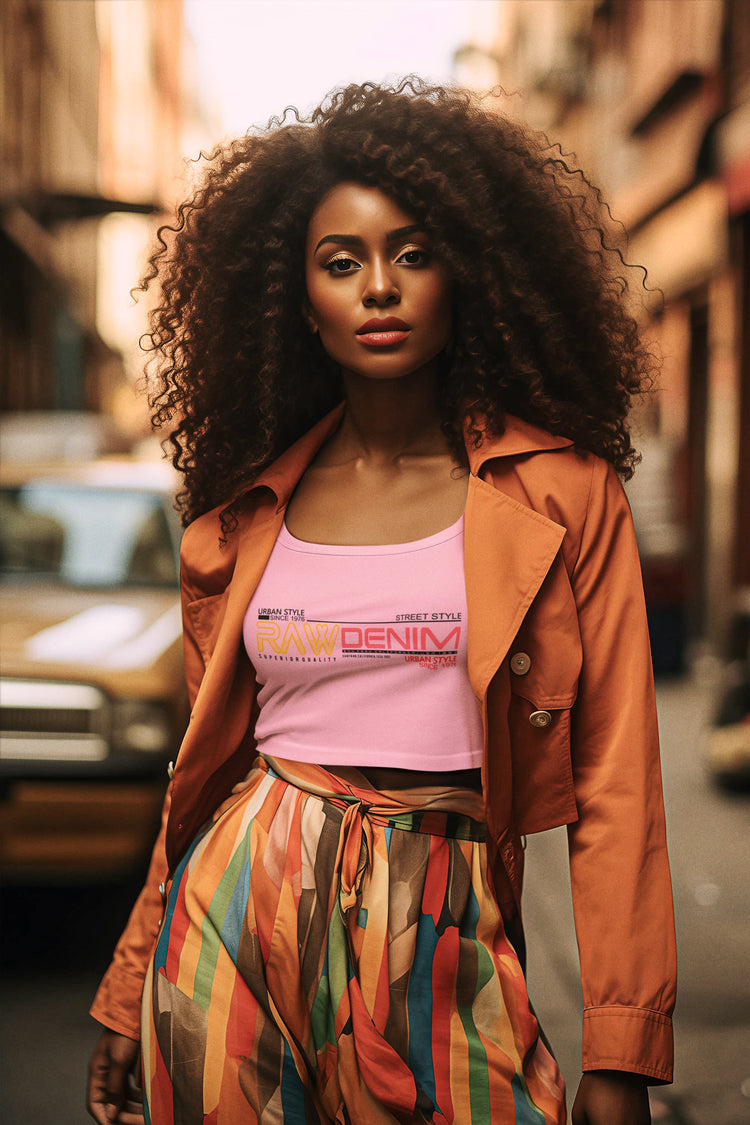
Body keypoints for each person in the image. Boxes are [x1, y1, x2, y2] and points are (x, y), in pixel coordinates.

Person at [86, 79, 676, 1125]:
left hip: (445, 904)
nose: (379, 288)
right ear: (298, 301)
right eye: (341, 262)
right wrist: (132, 983)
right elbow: (200, 774)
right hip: (236, 898)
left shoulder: (564, 492)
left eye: (411, 253)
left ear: (468, 274)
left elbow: (618, 781)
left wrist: (622, 1048)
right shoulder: (241, 512)